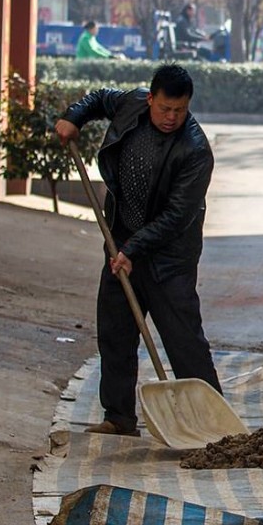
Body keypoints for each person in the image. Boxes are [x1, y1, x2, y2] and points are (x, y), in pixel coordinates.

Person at [53, 64, 222, 436]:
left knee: (183, 340)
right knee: (116, 332)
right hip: (121, 241)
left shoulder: (195, 151)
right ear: (150, 100)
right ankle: (119, 417)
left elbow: (178, 216)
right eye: (165, 109)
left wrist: (135, 248)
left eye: (180, 110)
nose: (171, 117)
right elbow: (98, 98)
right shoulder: (130, 106)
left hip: (168, 258)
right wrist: (73, 118)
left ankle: (213, 426)